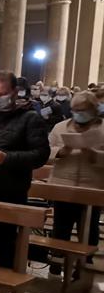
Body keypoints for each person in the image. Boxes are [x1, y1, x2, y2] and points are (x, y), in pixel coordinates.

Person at [0, 70, 50, 268]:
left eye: (2, 94)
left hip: (11, 189)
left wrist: (8, 158)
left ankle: (4, 280)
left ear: (14, 92)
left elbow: (41, 155)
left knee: (6, 241)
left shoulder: (30, 119)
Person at [47, 91, 103, 266]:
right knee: (61, 226)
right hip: (63, 185)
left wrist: (92, 154)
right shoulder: (60, 127)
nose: (78, 114)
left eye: (83, 110)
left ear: (93, 110)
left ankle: (85, 263)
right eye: (75, 110)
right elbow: (46, 152)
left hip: (92, 187)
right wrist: (62, 151)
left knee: (89, 227)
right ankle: (56, 263)